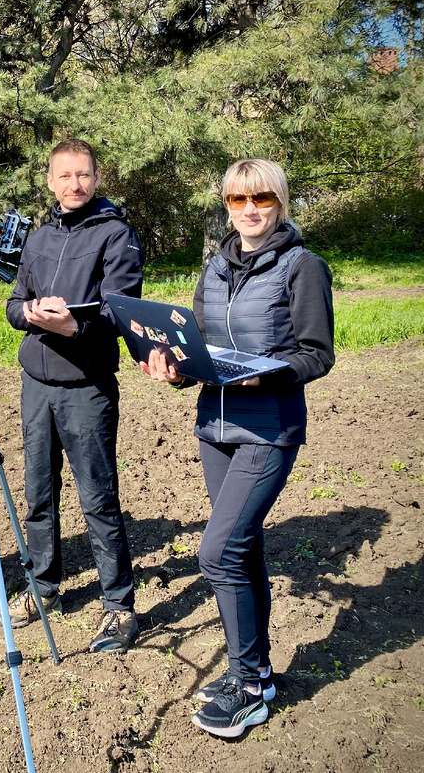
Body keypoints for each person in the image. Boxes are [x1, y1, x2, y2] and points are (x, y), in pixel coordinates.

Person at [140, 158, 334, 737]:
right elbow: (199, 347)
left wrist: (262, 376)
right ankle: (258, 673)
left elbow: (316, 354)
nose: (249, 211)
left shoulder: (302, 266)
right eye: (236, 200)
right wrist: (173, 368)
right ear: (226, 204)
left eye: (262, 199)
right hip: (215, 429)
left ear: (280, 202)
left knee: (217, 554)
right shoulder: (216, 267)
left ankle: (247, 685)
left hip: (268, 428)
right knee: (242, 553)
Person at [4, 139, 143, 653]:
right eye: (64, 176)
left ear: (97, 178)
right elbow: (14, 304)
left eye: (82, 175)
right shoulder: (38, 237)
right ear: (50, 181)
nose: (73, 185)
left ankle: (118, 606)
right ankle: (42, 588)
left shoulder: (117, 236)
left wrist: (73, 329)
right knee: (39, 494)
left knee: (98, 497)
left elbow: (120, 312)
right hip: (36, 386)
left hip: (86, 386)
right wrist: (33, 314)